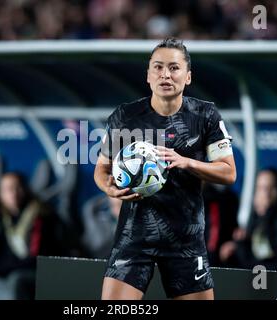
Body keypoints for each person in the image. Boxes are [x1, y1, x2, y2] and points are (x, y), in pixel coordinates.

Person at [94, 38, 236, 300]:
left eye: (174, 67)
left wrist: (186, 161)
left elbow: (228, 172)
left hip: (186, 238)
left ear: (188, 76)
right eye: (158, 67)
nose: (165, 74)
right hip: (134, 237)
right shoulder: (125, 116)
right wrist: (110, 188)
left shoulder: (206, 116)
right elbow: (101, 170)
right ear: (148, 76)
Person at [0, 172, 62, 299]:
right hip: (23, 266)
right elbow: (4, 248)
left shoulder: (39, 215)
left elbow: (36, 259)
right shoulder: (7, 217)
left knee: (17, 280)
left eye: (17, 187)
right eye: (7, 190)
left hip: (48, 271)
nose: (13, 193)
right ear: (0, 195)